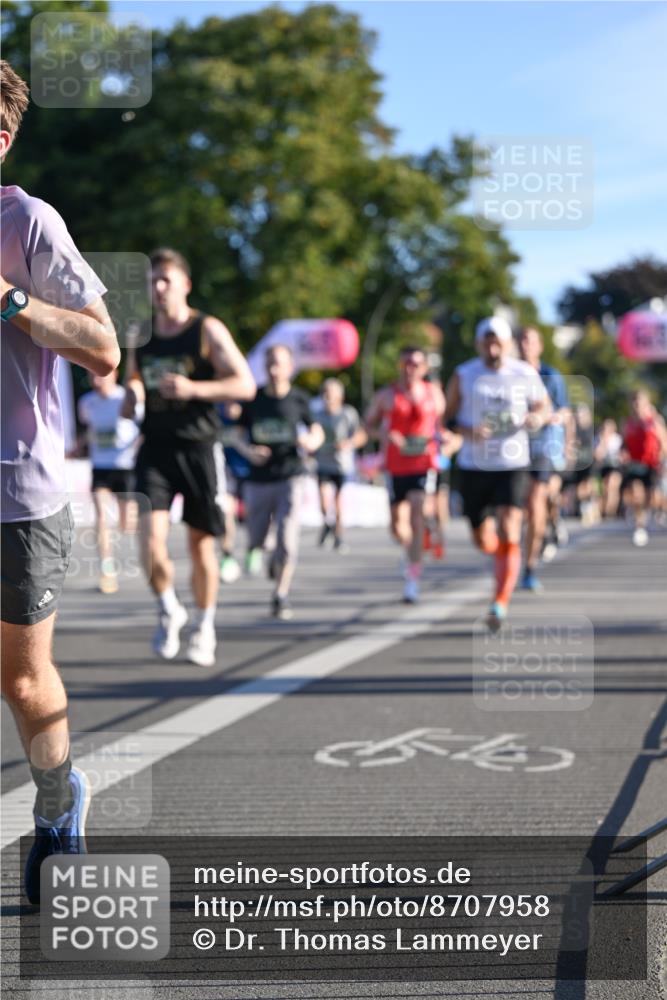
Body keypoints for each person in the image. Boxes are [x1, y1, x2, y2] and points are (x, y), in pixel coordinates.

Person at [0, 60, 120, 903]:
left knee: (19, 677)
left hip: (17, 491)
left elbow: (104, 348)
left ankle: (55, 800)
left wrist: (8, 301)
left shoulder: (29, 223)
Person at [122, 248, 255, 665]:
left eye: (165, 280)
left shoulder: (206, 329)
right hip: (155, 450)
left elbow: (245, 385)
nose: (158, 289)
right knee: (149, 540)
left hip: (198, 448)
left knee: (201, 548)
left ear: (185, 285)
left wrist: (195, 389)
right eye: (152, 282)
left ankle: (204, 625)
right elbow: (135, 383)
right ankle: (168, 608)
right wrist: (133, 396)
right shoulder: (139, 334)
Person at [445, 316, 550, 630]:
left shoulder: (524, 372)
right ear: (479, 344)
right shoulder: (463, 374)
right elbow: (446, 418)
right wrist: (469, 431)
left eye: (498, 342)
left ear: (507, 344)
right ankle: (496, 551)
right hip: (474, 465)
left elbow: (544, 406)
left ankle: (500, 601)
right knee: (482, 537)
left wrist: (536, 418)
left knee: (509, 526)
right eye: (487, 342)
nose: (493, 348)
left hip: (512, 463)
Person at [234, 344, 324, 620]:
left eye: (280, 364)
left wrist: (311, 441)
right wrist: (249, 451)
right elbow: (236, 435)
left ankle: (280, 594)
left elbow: (316, 430)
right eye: (270, 363)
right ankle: (263, 550)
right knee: (257, 536)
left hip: (290, 475)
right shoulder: (254, 398)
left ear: (290, 368)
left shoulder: (299, 399)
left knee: (288, 536)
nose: (274, 369)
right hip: (259, 478)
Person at [365, 345, 446, 603]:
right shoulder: (386, 395)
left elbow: (442, 427)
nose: (410, 369)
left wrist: (447, 442)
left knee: (417, 514)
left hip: (424, 464)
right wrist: (386, 435)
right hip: (395, 466)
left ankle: (413, 579)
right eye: (405, 364)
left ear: (424, 368)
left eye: (415, 364)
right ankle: (410, 550)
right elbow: (368, 426)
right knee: (397, 528)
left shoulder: (434, 394)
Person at [77, 368, 142, 594]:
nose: (95, 380)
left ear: (113, 374)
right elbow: (90, 430)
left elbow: (142, 429)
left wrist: (138, 450)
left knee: (126, 524)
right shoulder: (86, 403)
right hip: (100, 467)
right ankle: (107, 567)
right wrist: (79, 446)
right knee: (102, 517)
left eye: (100, 375)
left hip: (125, 467)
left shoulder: (126, 398)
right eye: (91, 375)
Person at [516, 326, 570, 592]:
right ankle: (522, 546)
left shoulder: (551, 375)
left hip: (543, 448)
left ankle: (529, 566)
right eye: (522, 340)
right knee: (518, 507)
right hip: (511, 449)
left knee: (537, 501)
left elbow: (564, 412)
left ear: (539, 346)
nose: (526, 344)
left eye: (530, 340)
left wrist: (546, 418)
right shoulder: (508, 374)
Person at [312, 378, 366, 552]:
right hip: (322, 462)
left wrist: (348, 443)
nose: (328, 396)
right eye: (325, 392)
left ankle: (338, 536)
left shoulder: (348, 414)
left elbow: (360, 435)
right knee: (323, 500)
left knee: (338, 502)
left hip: (341, 464)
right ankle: (327, 523)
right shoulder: (317, 415)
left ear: (340, 395)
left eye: (332, 392)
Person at [620, 390, 667, 546]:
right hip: (634, 464)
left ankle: (647, 515)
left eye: (639, 401)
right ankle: (639, 526)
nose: (636, 405)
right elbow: (624, 444)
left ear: (646, 403)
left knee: (650, 498)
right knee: (636, 492)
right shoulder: (627, 422)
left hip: (651, 464)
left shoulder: (654, 421)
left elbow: (664, 442)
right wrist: (623, 453)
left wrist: (662, 460)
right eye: (634, 401)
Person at [593, 418, 623, 519]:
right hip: (603, 467)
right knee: (603, 488)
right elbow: (597, 455)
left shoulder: (617, 439)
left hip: (615, 466)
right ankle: (603, 509)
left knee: (612, 486)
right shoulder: (598, 439)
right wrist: (603, 442)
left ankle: (610, 511)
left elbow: (621, 455)